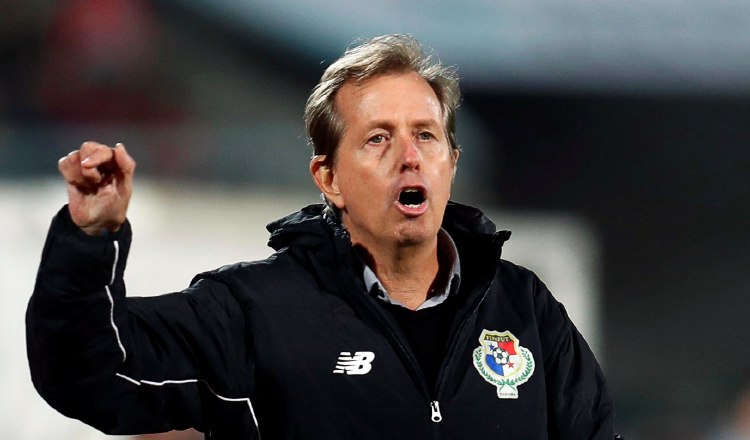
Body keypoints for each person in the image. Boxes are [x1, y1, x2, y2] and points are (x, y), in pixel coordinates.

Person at [27, 34, 619, 439]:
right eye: (379, 139)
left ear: (452, 163)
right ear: (328, 177)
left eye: (427, 136)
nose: (410, 157)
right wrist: (90, 238)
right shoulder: (256, 312)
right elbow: (91, 373)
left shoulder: (528, 312)